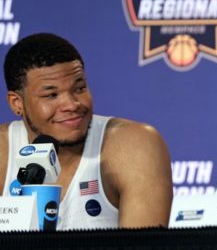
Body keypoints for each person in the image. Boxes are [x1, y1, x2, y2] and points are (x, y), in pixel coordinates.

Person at [0, 33, 173, 230]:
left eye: (79, 88)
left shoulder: (135, 145)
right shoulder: (3, 151)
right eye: (51, 95)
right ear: (17, 103)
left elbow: (144, 246)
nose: (72, 104)